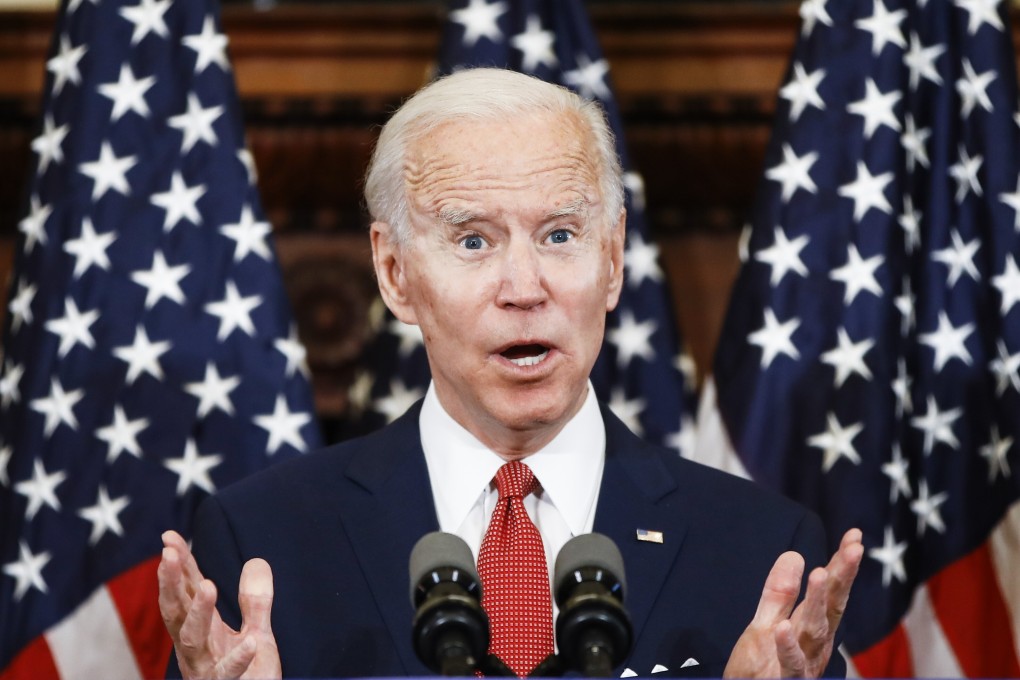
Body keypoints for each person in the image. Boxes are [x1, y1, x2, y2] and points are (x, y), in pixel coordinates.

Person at [158, 68, 863, 679]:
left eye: (560, 235)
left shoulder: (764, 554)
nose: (524, 287)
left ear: (613, 260)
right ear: (395, 273)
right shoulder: (263, 545)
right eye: (473, 240)